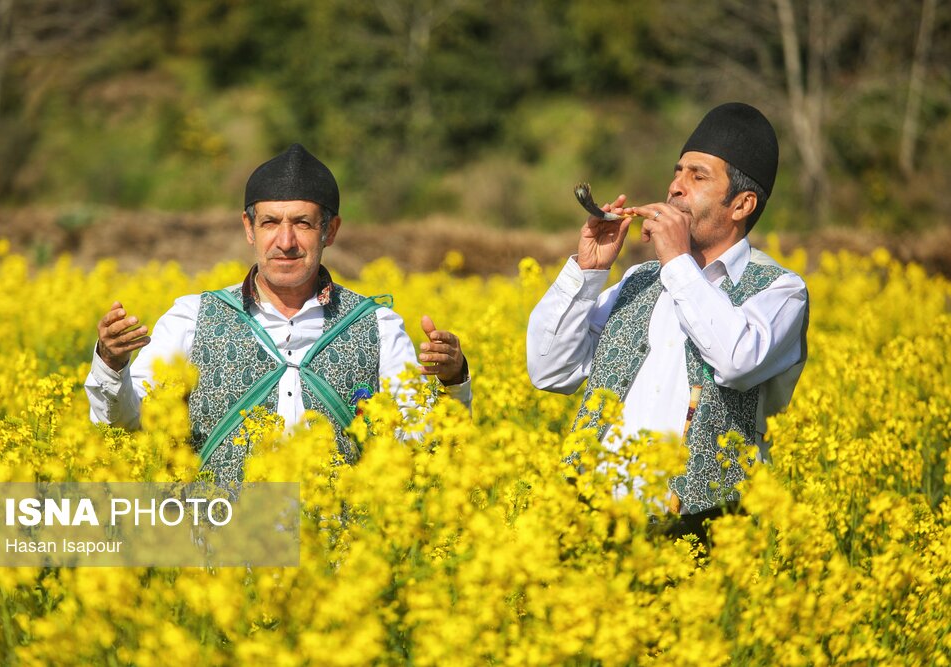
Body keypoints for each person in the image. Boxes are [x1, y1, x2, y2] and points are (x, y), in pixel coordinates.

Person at [86, 144, 471, 488]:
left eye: (302, 224)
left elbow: (421, 446)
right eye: (270, 222)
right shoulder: (191, 318)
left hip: (338, 557)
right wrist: (111, 362)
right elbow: (127, 425)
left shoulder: (378, 326)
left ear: (330, 231)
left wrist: (453, 381)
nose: (285, 242)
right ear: (249, 229)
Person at [527, 102, 808, 543]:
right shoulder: (641, 281)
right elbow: (550, 370)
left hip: (702, 540)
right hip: (590, 527)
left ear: (741, 205)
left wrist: (677, 262)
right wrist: (587, 272)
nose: (675, 187)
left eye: (698, 176)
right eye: (677, 172)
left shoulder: (780, 292)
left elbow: (736, 361)